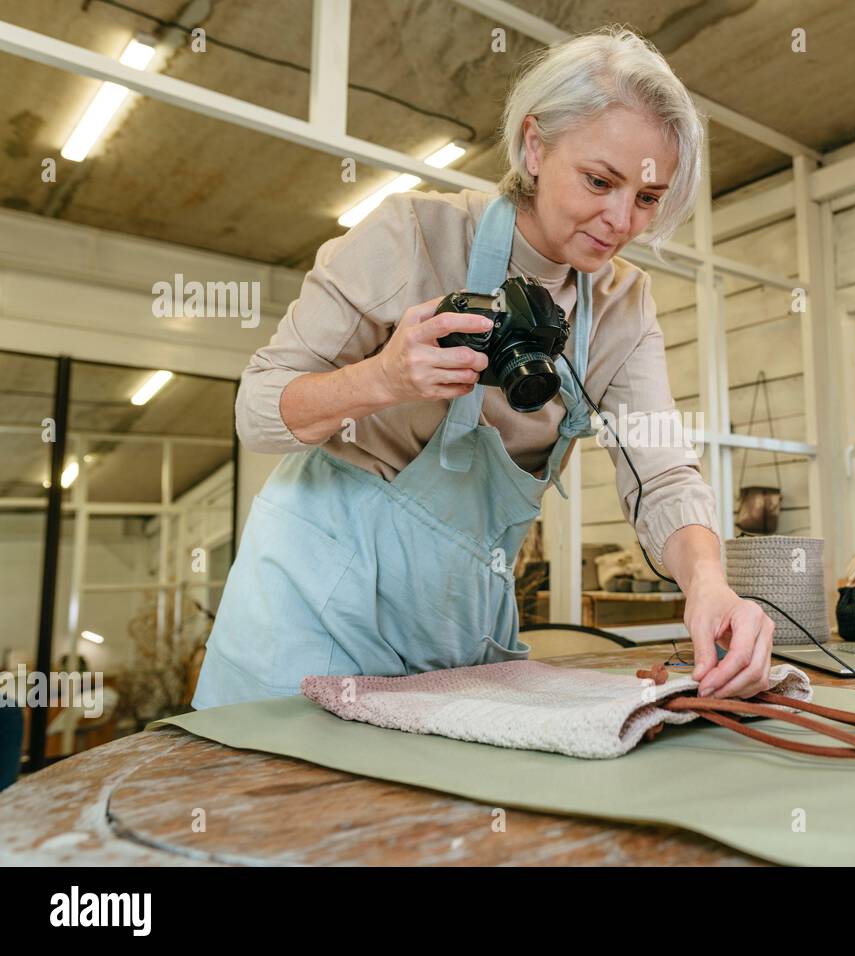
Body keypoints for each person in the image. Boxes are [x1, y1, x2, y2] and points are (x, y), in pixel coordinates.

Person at [192, 26, 775, 710]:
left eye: (647, 198)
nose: (620, 220)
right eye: (599, 180)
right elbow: (256, 411)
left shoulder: (623, 305)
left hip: (455, 619)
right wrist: (381, 379)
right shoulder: (410, 237)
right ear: (535, 145)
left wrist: (707, 581)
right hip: (313, 609)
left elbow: (663, 471)